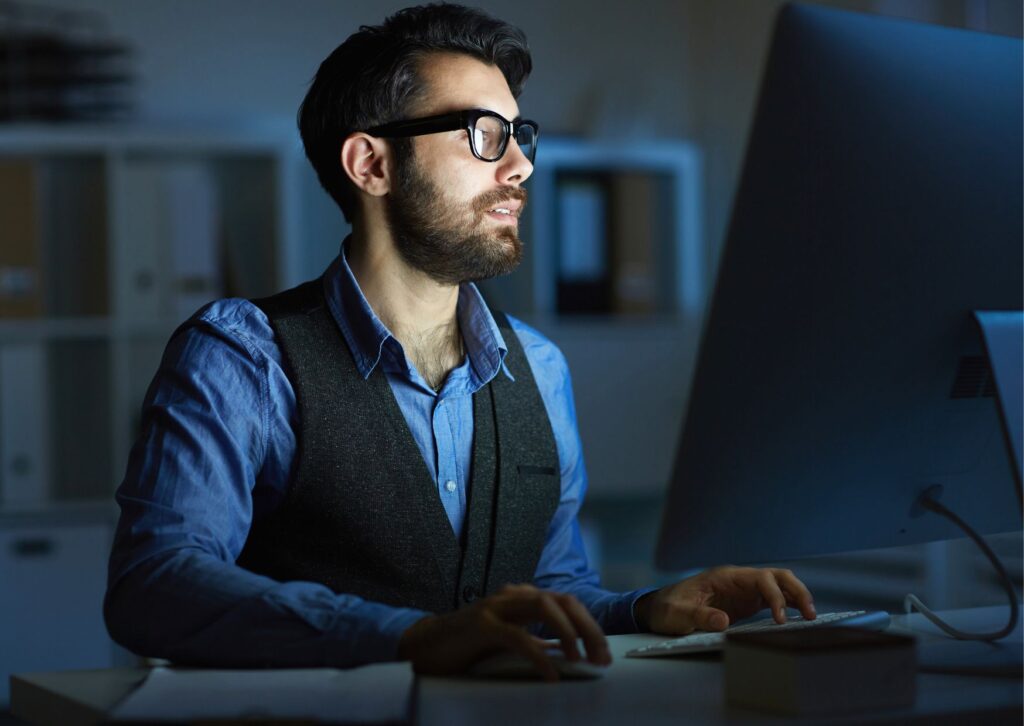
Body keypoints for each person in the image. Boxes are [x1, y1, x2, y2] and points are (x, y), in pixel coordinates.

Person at [104, 3, 816, 681]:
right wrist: (409, 640)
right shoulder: (242, 357)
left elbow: (547, 591)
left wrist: (648, 608)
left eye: (519, 135)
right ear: (371, 165)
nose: (521, 168)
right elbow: (154, 583)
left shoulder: (538, 367)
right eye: (484, 135)